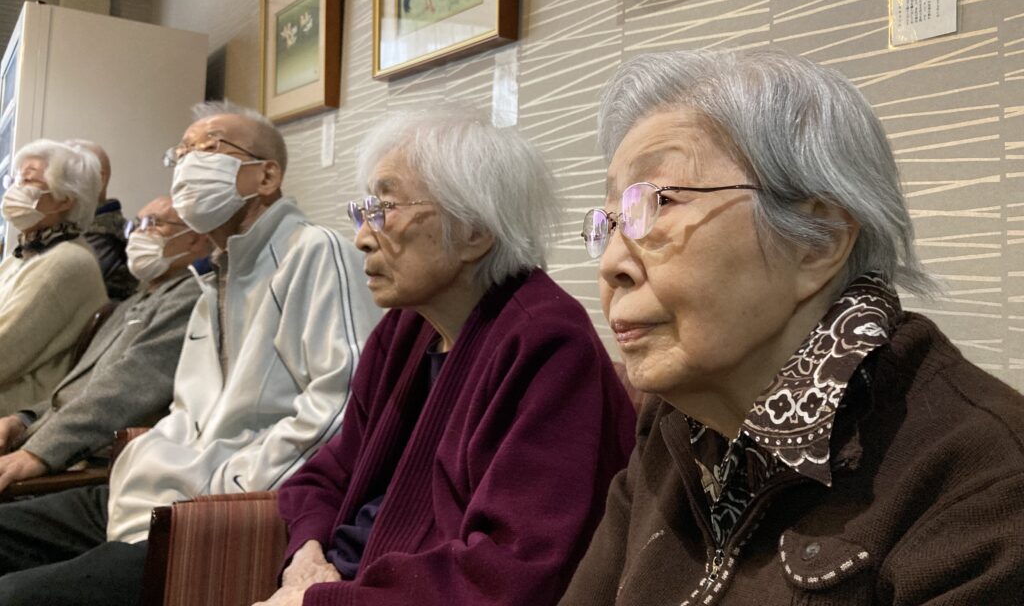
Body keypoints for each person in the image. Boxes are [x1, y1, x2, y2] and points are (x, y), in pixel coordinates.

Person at [559, 49, 1024, 605]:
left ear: (817, 241)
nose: (612, 263)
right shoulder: (679, 421)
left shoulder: (982, 485)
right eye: (611, 220)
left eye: (657, 203)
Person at [0, 102, 381, 605]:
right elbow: (188, 412)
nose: (188, 163)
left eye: (210, 148)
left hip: (216, 514)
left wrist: (220, 491)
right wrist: (141, 467)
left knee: (15, 596)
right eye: (181, 153)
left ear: (266, 176)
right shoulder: (213, 278)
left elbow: (341, 408)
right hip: (145, 495)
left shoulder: (314, 250)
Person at [256, 111, 636, 606]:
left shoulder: (548, 344)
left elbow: (513, 572)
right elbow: (327, 473)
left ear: (474, 232)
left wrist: (320, 601)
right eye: (365, 210)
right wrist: (305, 555)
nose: (362, 237)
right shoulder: (405, 331)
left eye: (386, 209)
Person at [0, 195, 209, 493]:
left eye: (153, 224)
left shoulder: (191, 298)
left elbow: (128, 389)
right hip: (45, 439)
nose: (138, 234)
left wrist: (39, 453)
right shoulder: (135, 301)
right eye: (136, 225)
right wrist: (22, 419)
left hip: (89, 460)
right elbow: (78, 388)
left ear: (196, 238)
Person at [0, 139, 107, 412]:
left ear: (64, 200)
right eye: (14, 180)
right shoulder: (24, 255)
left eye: (27, 181)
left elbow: (5, 351)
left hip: (19, 409)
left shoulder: (66, 262)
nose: (14, 190)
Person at [67, 139, 138, 300]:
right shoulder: (77, 227)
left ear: (99, 180)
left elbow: (62, 290)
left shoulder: (104, 235)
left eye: (65, 174)